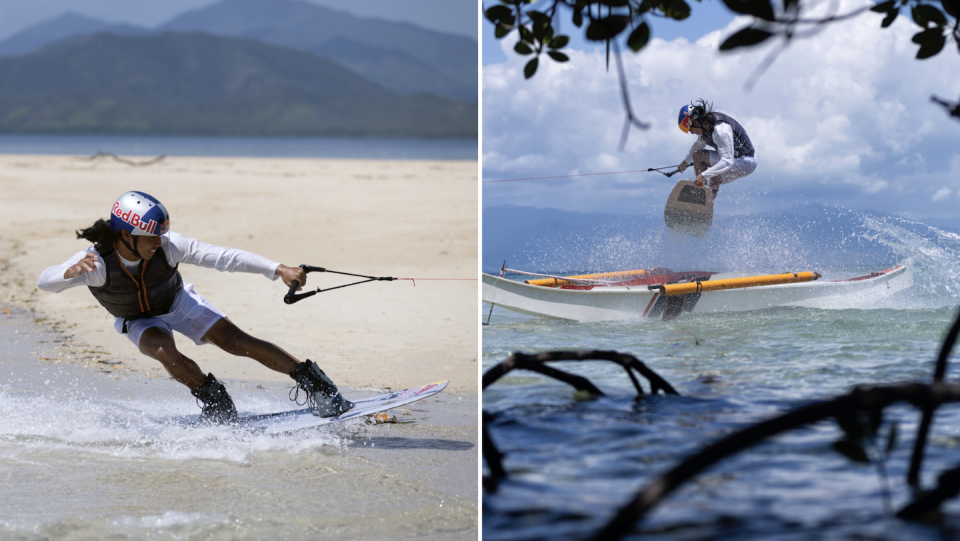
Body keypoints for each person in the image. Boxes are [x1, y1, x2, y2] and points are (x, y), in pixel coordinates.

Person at [37, 191, 354, 424]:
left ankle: (320, 386)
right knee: (164, 352)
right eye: (151, 237)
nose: (159, 242)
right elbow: (44, 281)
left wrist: (277, 268)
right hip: (135, 319)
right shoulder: (94, 262)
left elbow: (223, 257)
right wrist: (69, 273)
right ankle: (217, 403)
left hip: (177, 302)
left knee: (237, 342)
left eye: (161, 234)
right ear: (125, 235)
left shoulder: (169, 245)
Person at [676, 99, 757, 199]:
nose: (691, 133)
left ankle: (701, 195)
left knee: (699, 156)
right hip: (737, 159)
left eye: (689, 129)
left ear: (696, 122)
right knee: (714, 178)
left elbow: (727, 162)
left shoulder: (720, 131)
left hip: (745, 161)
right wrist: (685, 162)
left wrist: (703, 176)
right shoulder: (705, 126)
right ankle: (704, 207)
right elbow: (699, 144)